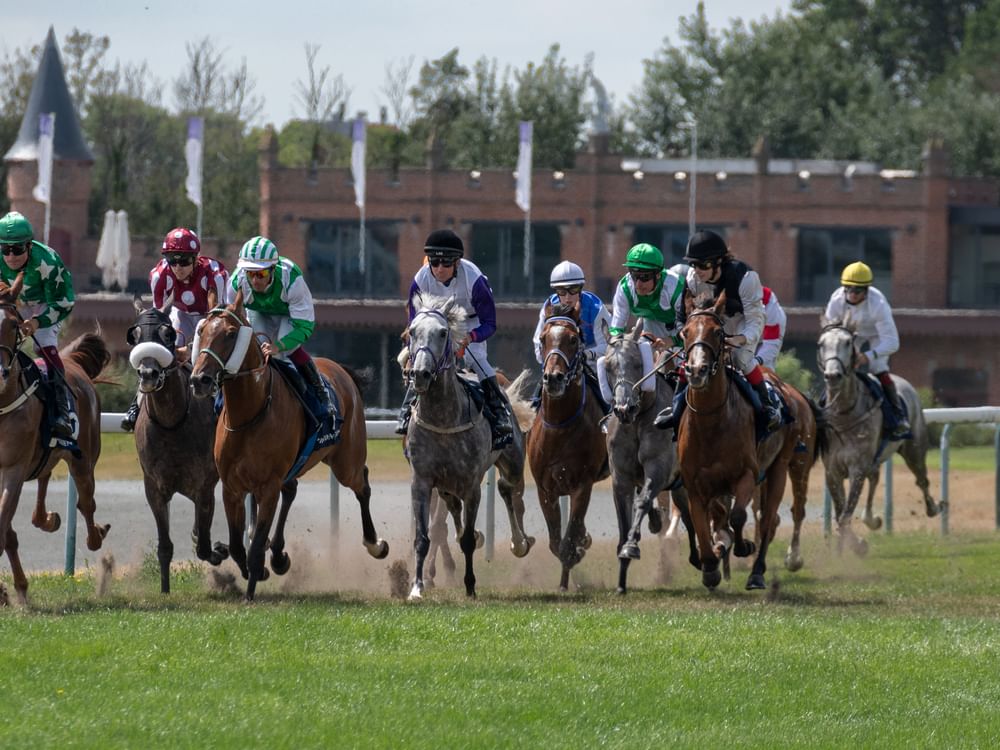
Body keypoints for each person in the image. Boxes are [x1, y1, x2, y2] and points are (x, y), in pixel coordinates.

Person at [395, 229, 513, 449]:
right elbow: (413, 323)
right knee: (420, 362)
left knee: (477, 361)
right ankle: (406, 411)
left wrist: (470, 338)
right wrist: (412, 349)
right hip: (433, 323)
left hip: (469, 322)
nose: (439, 269)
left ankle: (500, 413)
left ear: (457, 263)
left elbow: (490, 323)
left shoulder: (474, 278)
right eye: (435, 262)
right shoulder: (421, 278)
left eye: (446, 263)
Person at [654, 230, 782, 431]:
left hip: (742, 322)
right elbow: (682, 316)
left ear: (719, 262)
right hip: (712, 321)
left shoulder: (746, 278)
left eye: (703, 264)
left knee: (740, 358)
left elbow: (755, 320)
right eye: (694, 264)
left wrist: (739, 339)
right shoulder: (692, 278)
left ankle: (767, 406)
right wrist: (685, 334)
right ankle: (675, 409)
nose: (697, 270)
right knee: (693, 358)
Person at [121, 227, 229, 431]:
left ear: (196, 258)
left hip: (212, 317)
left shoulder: (216, 274)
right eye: (172, 260)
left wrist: (191, 349)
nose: (178, 267)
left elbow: (215, 322)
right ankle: (137, 404)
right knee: (158, 351)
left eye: (184, 261)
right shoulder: (159, 276)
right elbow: (159, 318)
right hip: (181, 313)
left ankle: (222, 404)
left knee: (211, 356)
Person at [230, 235, 336, 422]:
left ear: (272, 270)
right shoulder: (236, 281)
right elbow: (227, 318)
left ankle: (319, 391)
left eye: (261, 274)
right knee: (257, 350)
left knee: (284, 353)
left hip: (288, 315)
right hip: (258, 312)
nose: (255, 280)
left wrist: (279, 346)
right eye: (250, 274)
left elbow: (304, 327)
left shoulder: (291, 279)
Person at [0, 211, 77, 439]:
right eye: (5, 249)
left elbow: (63, 303)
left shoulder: (49, 262)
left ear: (30, 246)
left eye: (18, 249)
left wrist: (36, 322)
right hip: (11, 303)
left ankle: (61, 411)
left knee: (42, 343)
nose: (11, 256)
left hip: (47, 303)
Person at [825, 261, 910, 439]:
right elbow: (831, 332)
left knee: (878, 367)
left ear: (867, 290)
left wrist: (867, 356)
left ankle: (897, 415)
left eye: (858, 290)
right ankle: (823, 409)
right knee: (836, 366)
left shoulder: (878, 304)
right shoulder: (836, 300)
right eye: (848, 289)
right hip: (851, 333)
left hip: (877, 335)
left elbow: (893, 343)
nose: (852, 294)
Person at [531, 260, 612, 412]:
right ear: (556, 291)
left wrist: (585, 354)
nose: (568, 297)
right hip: (560, 362)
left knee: (606, 400)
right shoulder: (548, 307)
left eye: (573, 290)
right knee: (535, 405)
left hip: (592, 365)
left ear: (581, 289)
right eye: (562, 291)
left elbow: (608, 345)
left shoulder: (596, 308)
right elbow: (538, 341)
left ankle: (609, 416)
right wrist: (549, 358)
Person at [609, 242, 686, 344]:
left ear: (658, 275)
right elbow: (616, 329)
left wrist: (672, 341)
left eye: (644, 277)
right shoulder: (625, 287)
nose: (638, 284)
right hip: (648, 328)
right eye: (634, 276)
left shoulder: (676, 287)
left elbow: (690, 331)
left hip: (679, 331)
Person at [755, 286, 786, 371]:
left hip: (766, 343)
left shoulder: (767, 298)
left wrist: (756, 361)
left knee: (764, 368)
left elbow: (771, 344)